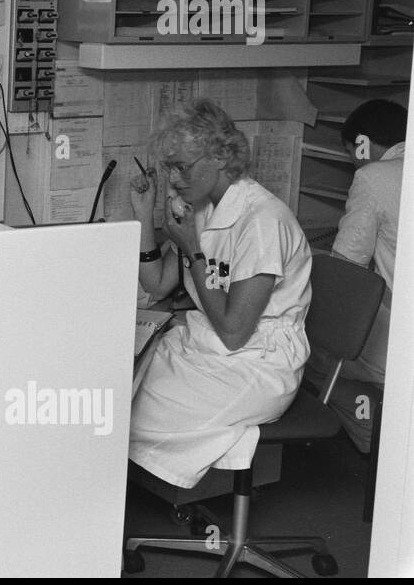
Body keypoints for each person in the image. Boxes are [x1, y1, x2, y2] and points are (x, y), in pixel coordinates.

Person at [128, 99, 312, 489]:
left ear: (219, 156)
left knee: (127, 414)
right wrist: (145, 216)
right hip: (207, 343)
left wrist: (191, 250)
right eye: (169, 168)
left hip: (257, 361)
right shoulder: (203, 207)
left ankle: (233, 436)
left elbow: (234, 330)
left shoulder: (261, 220)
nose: (175, 179)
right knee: (119, 385)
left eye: (182, 166)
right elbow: (157, 284)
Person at [304, 99, 406, 451]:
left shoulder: (372, 176)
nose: (352, 161)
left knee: (301, 347)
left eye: (352, 151)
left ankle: (368, 432)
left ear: (364, 143)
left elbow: (346, 269)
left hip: (402, 342)